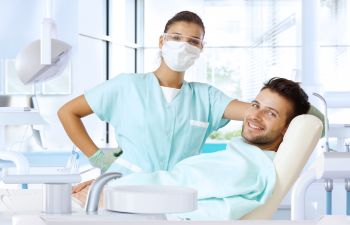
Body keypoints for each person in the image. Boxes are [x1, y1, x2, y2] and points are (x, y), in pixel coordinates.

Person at [72, 77, 311, 220]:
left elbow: (175, 187)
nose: (255, 116)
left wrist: (107, 189)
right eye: (255, 105)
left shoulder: (245, 166)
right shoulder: (241, 156)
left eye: (271, 113)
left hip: (131, 198)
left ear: (286, 129)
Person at [58, 11, 249, 180]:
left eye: (193, 41)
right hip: (127, 189)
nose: (184, 46)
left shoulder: (206, 97)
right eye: (176, 38)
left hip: (181, 196)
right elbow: (67, 112)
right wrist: (98, 158)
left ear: (200, 49)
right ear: (162, 41)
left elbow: (256, 113)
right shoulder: (126, 86)